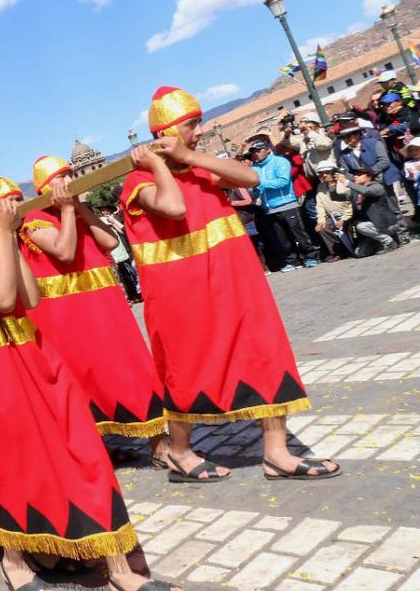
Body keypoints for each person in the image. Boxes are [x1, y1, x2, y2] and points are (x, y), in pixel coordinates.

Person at [0, 157, 177, 591]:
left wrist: (9, 240)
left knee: (83, 453)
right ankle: (16, 561)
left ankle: (119, 569)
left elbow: (30, 298)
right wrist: (1, 233)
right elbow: (1, 299)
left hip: (33, 358)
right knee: (16, 468)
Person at [120, 86, 339, 485]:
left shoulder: (198, 163)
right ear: (165, 132)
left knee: (265, 351)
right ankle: (181, 453)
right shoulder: (137, 181)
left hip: (235, 283)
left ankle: (276, 453)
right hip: (182, 296)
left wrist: (186, 155)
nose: (200, 131)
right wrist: (160, 164)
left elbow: (250, 176)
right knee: (186, 367)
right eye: (191, 125)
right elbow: (174, 207)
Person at [15, 157, 167, 461]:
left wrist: (80, 208)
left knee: (133, 369)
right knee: (88, 381)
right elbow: (64, 251)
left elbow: (110, 241)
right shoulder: (35, 220)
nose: (70, 183)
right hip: (73, 317)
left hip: (105, 307)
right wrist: (69, 210)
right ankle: (101, 449)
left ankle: (159, 444)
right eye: (63, 178)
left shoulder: (77, 214)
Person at [248, 136, 319, 271]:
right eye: (253, 151)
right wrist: (253, 190)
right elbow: (254, 188)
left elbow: (283, 181)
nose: (255, 153)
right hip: (269, 208)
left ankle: (311, 257)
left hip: (287, 203)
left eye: (258, 150)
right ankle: (292, 261)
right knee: (282, 238)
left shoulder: (280, 161)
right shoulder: (254, 168)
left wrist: (260, 184)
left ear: (267, 150)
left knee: (298, 233)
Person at [345, 166, 399, 255]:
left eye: (359, 175)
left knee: (361, 227)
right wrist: (332, 184)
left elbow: (366, 191)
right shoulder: (355, 191)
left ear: (369, 176)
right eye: (354, 175)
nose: (355, 177)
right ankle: (380, 243)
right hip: (372, 227)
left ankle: (390, 242)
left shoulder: (377, 187)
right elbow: (337, 196)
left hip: (386, 224)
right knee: (359, 253)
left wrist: (346, 182)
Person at [314, 163, 355, 260]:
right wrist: (321, 220)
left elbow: (351, 204)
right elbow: (320, 206)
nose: (324, 175)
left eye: (327, 173)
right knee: (323, 228)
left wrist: (344, 219)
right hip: (332, 217)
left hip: (348, 215)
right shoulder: (320, 187)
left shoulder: (344, 184)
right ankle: (337, 252)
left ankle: (351, 248)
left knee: (345, 226)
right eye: (321, 173)